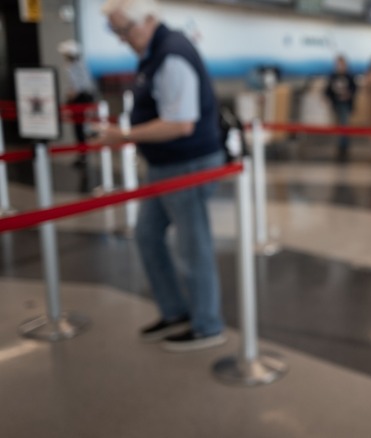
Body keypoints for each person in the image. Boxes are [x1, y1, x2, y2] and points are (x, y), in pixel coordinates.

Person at [93, 0, 226, 352]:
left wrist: (123, 136)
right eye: (116, 31)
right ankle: (175, 312)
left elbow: (180, 124)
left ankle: (207, 324)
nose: (123, 39)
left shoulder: (171, 55)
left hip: (188, 164)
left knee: (192, 247)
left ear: (149, 19)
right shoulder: (156, 53)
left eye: (126, 29)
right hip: (167, 164)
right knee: (148, 236)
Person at [58, 39, 97, 168]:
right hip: (84, 99)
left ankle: (83, 155)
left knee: (79, 129)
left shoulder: (72, 67)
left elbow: (77, 87)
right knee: (81, 129)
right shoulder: (80, 64)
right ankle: (83, 155)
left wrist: (70, 97)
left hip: (79, 101)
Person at [325, 54, 357, 162]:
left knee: (344, 123)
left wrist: (348, 95)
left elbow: (354, 90)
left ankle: (343, 146)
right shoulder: (333, 76)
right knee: (337, 125)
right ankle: (339, 144)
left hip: (345, 104)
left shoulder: (349, 77)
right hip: (335, 104)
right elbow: (327, 91)